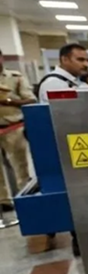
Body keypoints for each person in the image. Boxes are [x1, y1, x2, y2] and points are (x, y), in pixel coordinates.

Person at [0, 49, 36, 212]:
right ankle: (4, 201)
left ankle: (26, 198)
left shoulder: (15, 77)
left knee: (20, 166)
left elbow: (31, 100)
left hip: (13, 127)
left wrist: (8, 101)